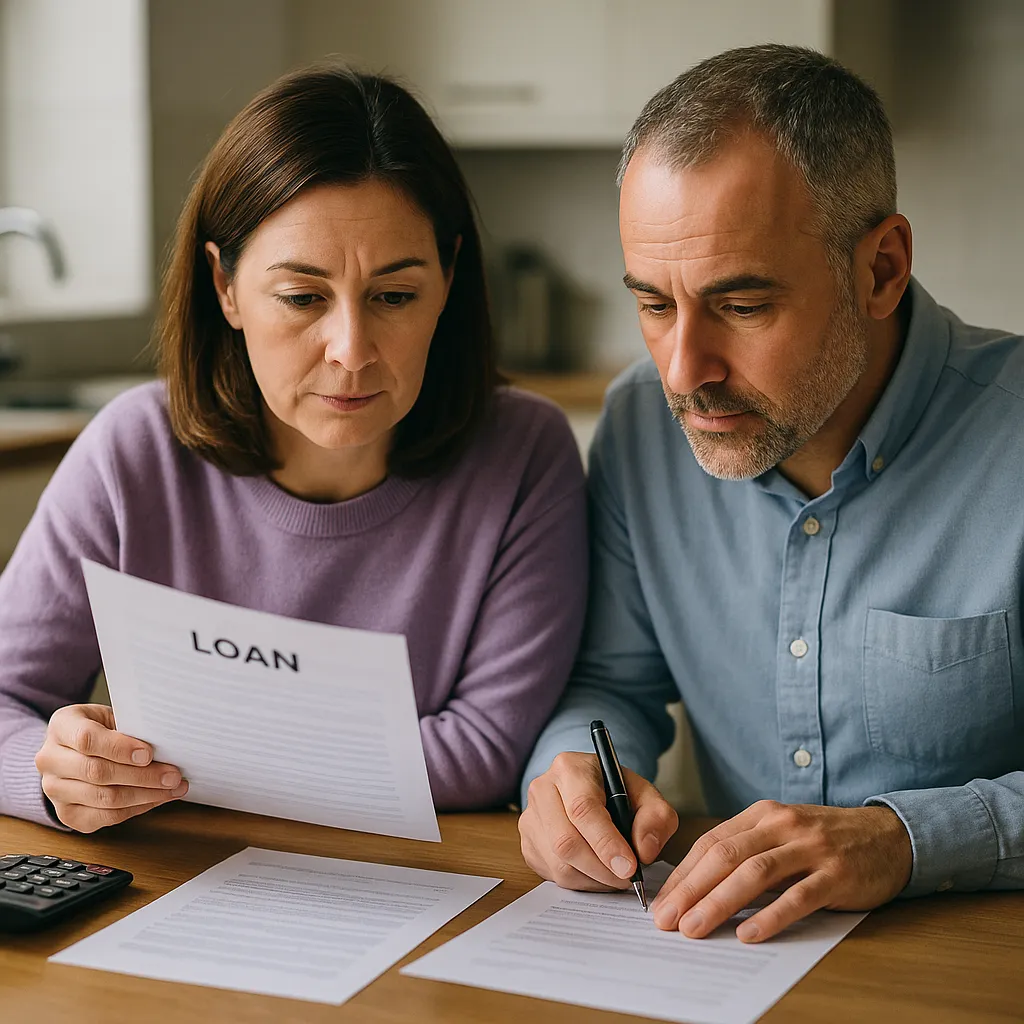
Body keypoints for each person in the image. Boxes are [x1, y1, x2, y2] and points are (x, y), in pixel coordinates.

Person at [519, 44, 1023, 943]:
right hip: (735, 962)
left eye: (742, 307)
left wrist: (902, 840)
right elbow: (611, 684)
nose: (684, 371)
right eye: (654, 304)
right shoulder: (642, 424)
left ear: (880, 269)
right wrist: (575, 778)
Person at [0, 66, 587, 833]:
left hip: (414, 885)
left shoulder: (525, 453)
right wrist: (59, 775)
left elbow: (486, 749)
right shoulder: (131, 450)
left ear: (448, 277)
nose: (350, 350)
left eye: (395, 296)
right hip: (181, 882)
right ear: (226, 287)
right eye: (304, 297)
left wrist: (182, 762)